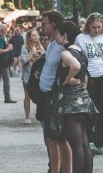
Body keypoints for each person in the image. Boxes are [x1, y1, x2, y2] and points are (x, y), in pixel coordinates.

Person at [54, 21, 96, 173]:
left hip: (71, 103)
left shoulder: (66, 53)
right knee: (85, 144)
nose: (55, 37)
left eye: (57, 34)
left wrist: (66, 79)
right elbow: (84, 75)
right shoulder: (80, 51)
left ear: (64, 35)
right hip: (84, 101)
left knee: (76, 145)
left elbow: (76, 67)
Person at [74, 12, 103, 155]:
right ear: (88, 26)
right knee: (89, 111)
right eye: (94, 27)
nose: (97, 30)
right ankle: (89, 141)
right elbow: (76, 59)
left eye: (100, 27)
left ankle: (99, 143)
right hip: (88, 78)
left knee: (102, 110)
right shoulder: (81, 38)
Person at [38, 11, 72, 173]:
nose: (42, 25)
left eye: (44, 23)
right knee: (50, 138)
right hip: (46, 95)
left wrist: (69, 80)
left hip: (54, 96)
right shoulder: (53, 42)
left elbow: (76, 66)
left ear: (53, 25)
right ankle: (54, 168)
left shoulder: (61, 44)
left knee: (58, 138)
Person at [20, 29, 44, 124]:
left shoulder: (41, 47)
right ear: (29, 37)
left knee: (40, 95)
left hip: (39, 76)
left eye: (36, 35)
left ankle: (40, 114)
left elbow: (44, 59)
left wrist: (39, 56)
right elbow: (23, 60)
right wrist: (31, 57)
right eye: (33, 35)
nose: (36, 36)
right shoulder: (25, 47)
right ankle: (27, 117)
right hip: (27, 75)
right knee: (27, 96)